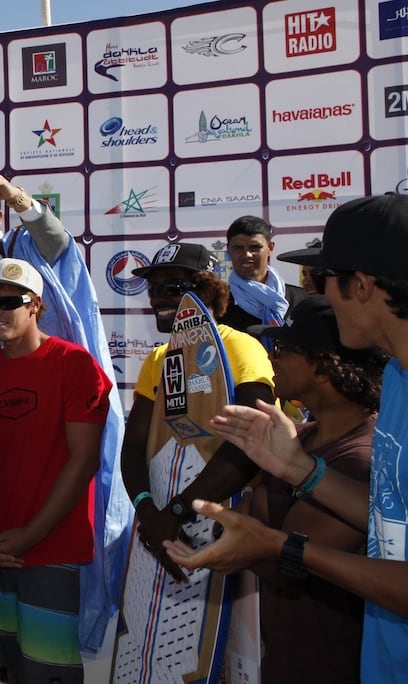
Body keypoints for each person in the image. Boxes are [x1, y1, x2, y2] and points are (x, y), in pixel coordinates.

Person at [163, 195, 408, 682]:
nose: (318, 295)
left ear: (360, 285)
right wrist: (300, 468)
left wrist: (277, 547)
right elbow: (390, 520)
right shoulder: (398, 380)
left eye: (323, 281)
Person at [0, 167, 127, 652]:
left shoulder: (20, 253)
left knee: (32, 499)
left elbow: (60, 248)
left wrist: (15, 196)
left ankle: (49, 620)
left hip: (32, 409)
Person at [0, 258, 111, 684]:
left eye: (8, 301)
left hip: (51, 546)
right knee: (9, 666)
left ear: (35, 306)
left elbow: (84, 461)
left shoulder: (74, 364)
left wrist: (30, 536)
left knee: (50, 672)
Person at [241, 296, 385, 682]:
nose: (271, 358)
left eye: (284, 349)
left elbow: (283, 567)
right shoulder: (297, 437)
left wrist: (242, 530)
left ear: (325, 366)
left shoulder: (363, 458)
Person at [121, 242, 275, 578]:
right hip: (163, 526)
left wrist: (175, 513)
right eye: (154, 287)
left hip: (234, 525)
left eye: (172, 288)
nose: (157, 297)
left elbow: (252, 440)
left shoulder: (240, 346)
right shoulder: (158, 359)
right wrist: (149, 514)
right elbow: (134, 445)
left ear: (207, 292)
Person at [219, 216, 307, 336]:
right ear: (228, 250)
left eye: (255, 247)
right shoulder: (217, 303)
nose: (247, 254)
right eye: (238, 248)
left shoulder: (301, 300)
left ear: (270, 248)